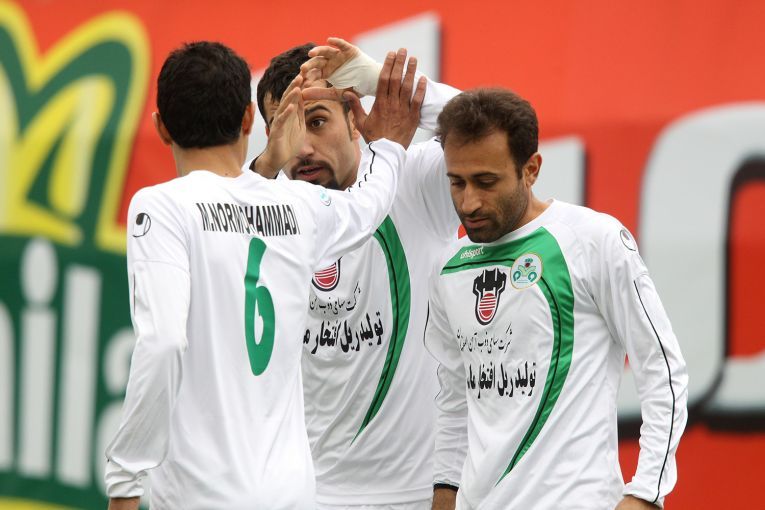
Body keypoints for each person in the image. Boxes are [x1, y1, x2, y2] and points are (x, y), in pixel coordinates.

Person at [103, 41, 416, 510]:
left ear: (161, 127)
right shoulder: (299, 204)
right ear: (249, 119)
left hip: (202, 496)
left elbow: (163, 342)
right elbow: (368, 205)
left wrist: (125, 480)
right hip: (291, 493)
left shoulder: (161, 207)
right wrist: (387, 147)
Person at [424, 88, 688, 510]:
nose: (469, 202)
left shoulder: (593, 240)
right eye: (457, 182)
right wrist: (445, 492)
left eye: (486, 182)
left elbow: (662, 369)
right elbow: (455, 396)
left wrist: (646, 493)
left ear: (530, 170)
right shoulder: (449, 266)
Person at [252, 39, 461, 509]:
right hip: (307, 495)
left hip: (416, 494)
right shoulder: (267, 212)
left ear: (353, 116)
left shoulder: (414, 179)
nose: (303, 148)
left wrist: (380, 82)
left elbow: (498, 133)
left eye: (317, 121)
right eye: (286, 125)